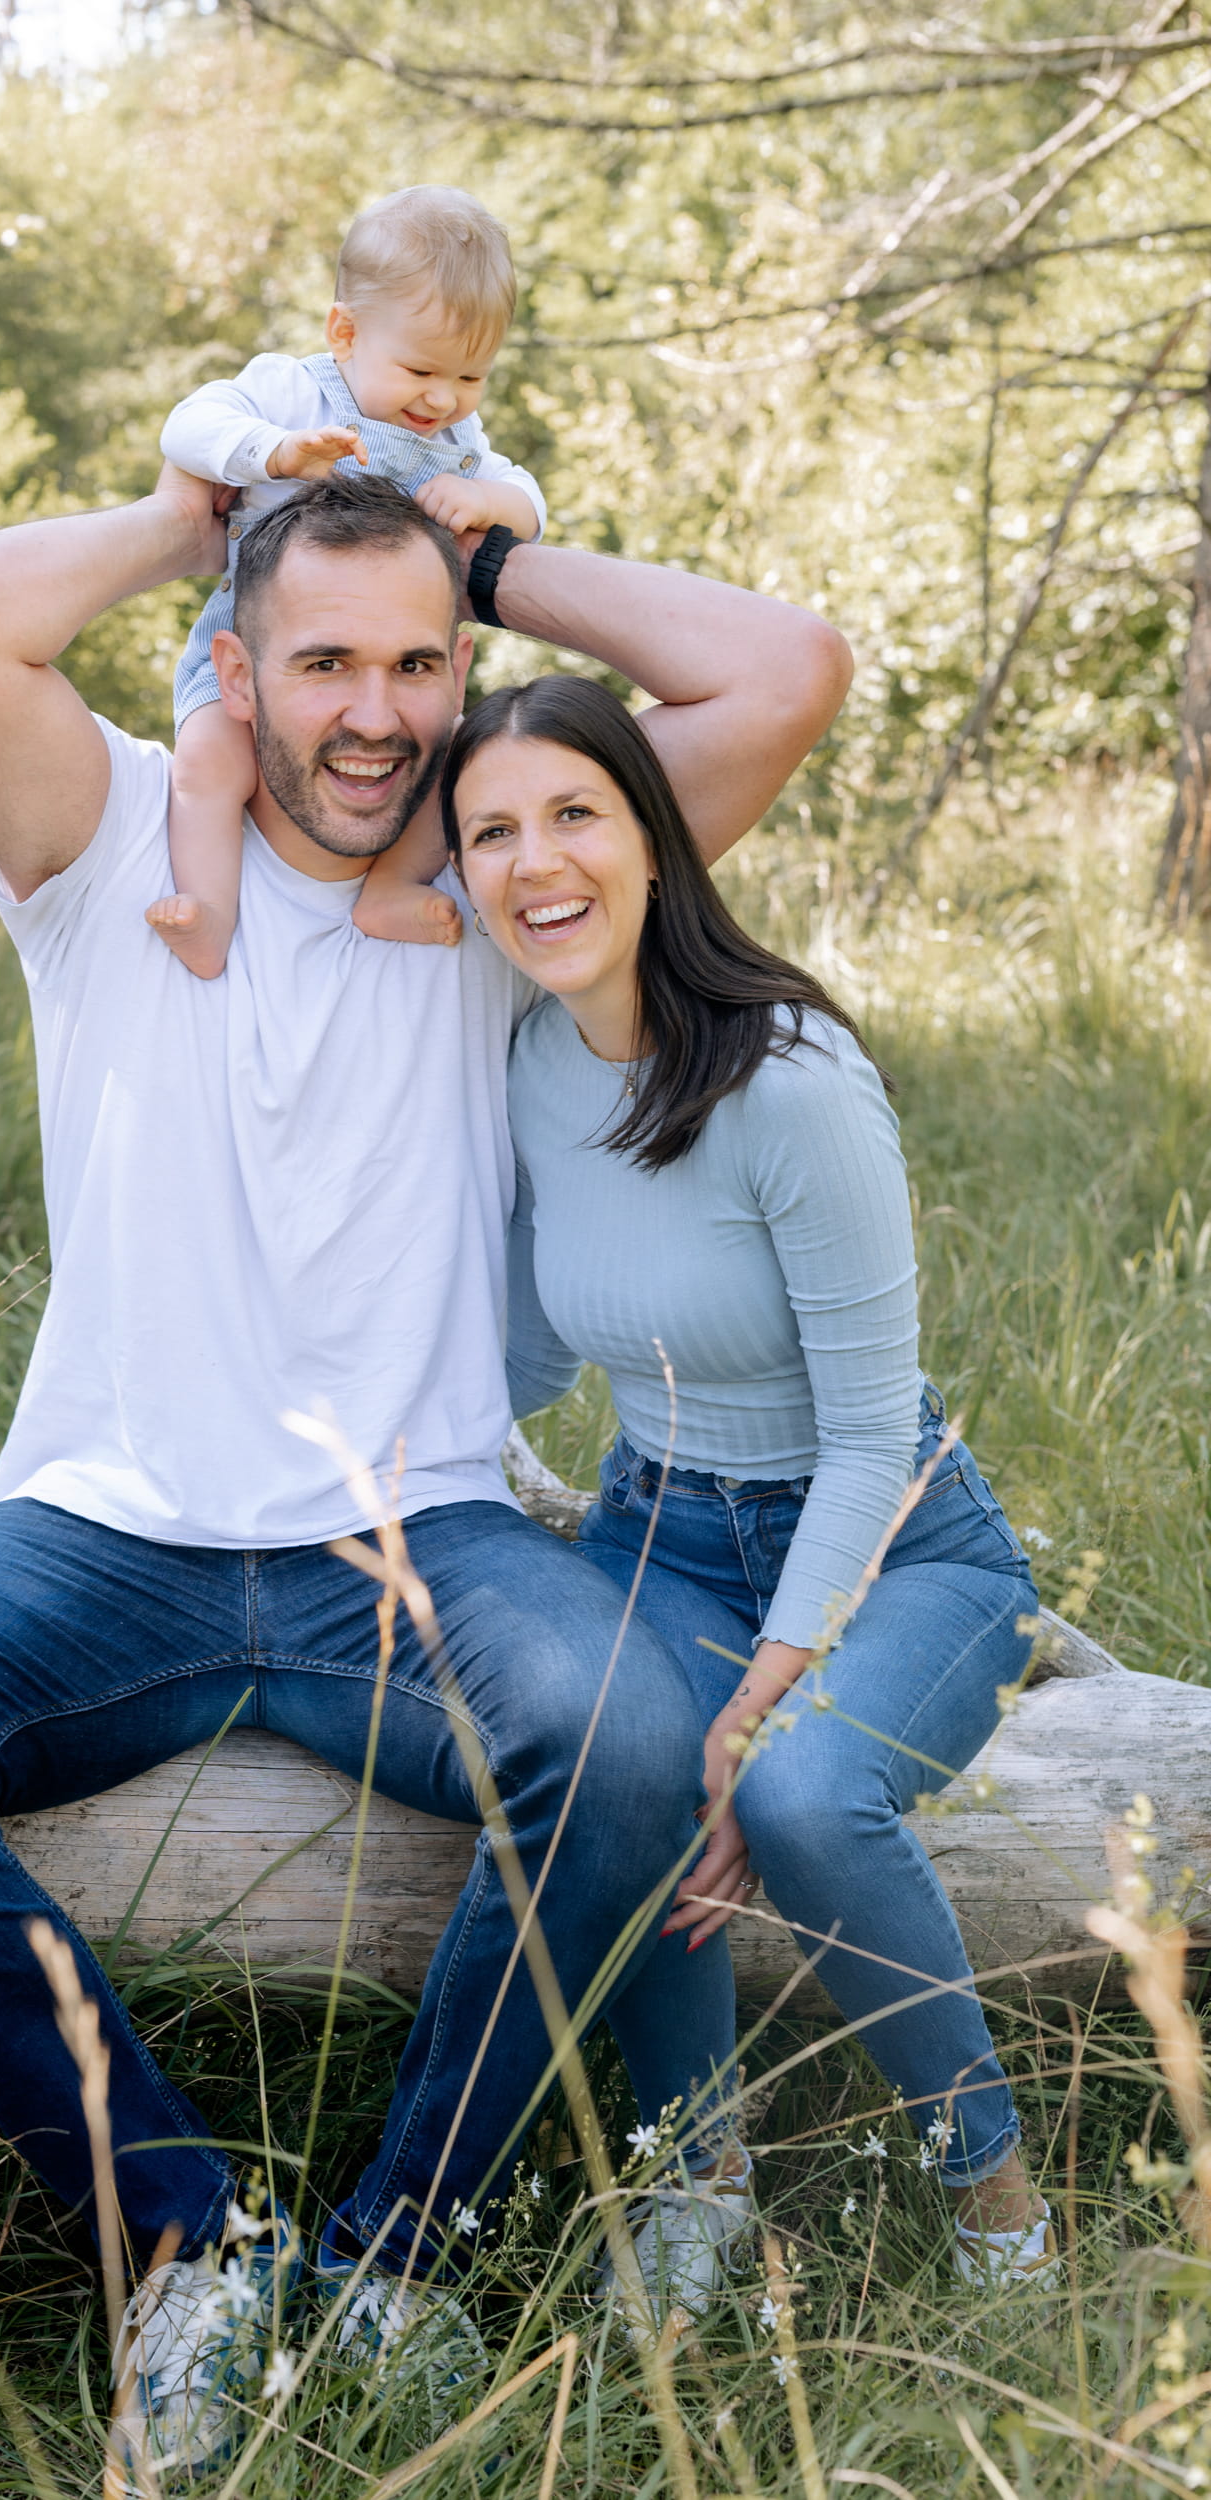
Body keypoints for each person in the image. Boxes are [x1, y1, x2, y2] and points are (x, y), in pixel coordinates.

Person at [0, 468, 850, 2474]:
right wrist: (202, 514)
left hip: (416, 1534)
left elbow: (782, 670)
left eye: (419, 662)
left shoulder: (498, 881)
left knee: (628, 1738)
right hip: (108, 1531)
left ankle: (396, 2255)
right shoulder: (106, 842)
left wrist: (486, 551)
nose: (375, 712)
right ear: (233, 674)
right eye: (322, 659)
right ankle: (188, 2239)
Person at [439, 672, 1061, 2307]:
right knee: (624, 1767)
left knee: (793, 1796)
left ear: (652, 835)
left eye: (572, 813)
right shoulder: (531, 1061)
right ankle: (701, 2184)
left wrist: (755, 1704)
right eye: (490, 832)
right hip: (658, 1525)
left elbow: (868, 1439)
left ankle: (993, 2197)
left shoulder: (789, 1080)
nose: (534, 862)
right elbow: (524, 1354)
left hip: (901, 1545)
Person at [150, 185, 544, 978]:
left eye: (471, 377)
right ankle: (210, 911)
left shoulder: (459, 439)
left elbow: (529, 502)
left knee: (450, 769)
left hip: (394, 659)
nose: (443, 398)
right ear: (345, 333)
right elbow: (187, 426)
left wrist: (485, 502)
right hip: (252, 632)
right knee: (208, 766)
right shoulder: (294, 391)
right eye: (420, 369)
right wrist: (275, 451)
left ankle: (391, 888)